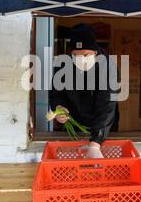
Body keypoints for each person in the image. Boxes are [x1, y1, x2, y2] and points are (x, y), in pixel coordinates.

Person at [50, 24, 119, 158]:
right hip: (75, 124)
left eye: (86, 55)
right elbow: (56, 94)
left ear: (95, 52)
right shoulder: (63, 65)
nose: (81, 59)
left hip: (104, 126)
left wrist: (96, 142)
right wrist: (58, 107)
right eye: (76, 55)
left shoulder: (108, 67)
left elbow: (106, 106)